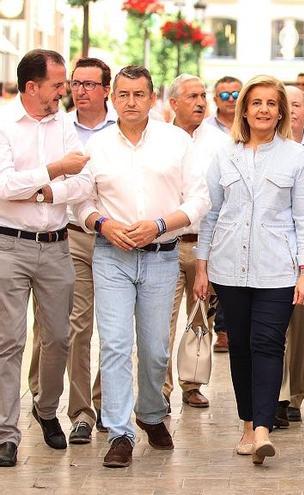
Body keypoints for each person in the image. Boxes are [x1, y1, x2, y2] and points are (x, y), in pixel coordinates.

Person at [74, 65, 210, 468]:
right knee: (115, 344)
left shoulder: (176, 142)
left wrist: (159, 225)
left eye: (139, 94)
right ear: (112, 99)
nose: (130, 102)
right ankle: (120, 433)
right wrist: (103, 223)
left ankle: (151, 413)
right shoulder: (96, 146)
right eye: (123, 94)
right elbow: (80, 201)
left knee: (153, 351)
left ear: (153, 99)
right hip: (110, 254)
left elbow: (199, 199)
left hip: (161, 257)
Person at [193, 75, 304, 465]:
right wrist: (202, 267)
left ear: (281, 111)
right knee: (241, 349)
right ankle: (248, 423)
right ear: (244, 110)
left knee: (268, 344)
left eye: (271, 103)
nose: (263, 109)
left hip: (277, 270)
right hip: (229, 269)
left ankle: (263, 427)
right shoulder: (224, 155)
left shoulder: (297, 157)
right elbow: (211, 214)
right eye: (256, 103)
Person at [0, 49, 92, 468]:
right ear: (32, 86)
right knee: (9, 342)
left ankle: (46, 407)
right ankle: (6, 432)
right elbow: (2, 186)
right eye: (58, 85)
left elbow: (85, 181)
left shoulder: (66, 126)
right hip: (9, 246)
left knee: (58, 337)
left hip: (57, 245)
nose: (65, 92)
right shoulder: (3, 123)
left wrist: (44, 190)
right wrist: (54, 170)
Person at [25, 56, 116, 445]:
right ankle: (79, 411)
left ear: (106, 90)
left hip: (117, 237)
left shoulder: (121, 127)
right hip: (73, 234)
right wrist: (53, 188)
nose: (78, 91)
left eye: (88, 84)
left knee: (113, 331)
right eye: (74, 83)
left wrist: (53, 189)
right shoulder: (57, 125)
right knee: (74, 326)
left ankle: (103, 402)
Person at [164, 74, 231, 410]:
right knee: (162, 320)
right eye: (192, 96)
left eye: (203, 95)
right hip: (166, 244)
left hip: (205, 244)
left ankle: (192, 384)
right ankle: (160, 389)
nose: (201, 102)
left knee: (200, 318)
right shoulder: (159, 139)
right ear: (173, 102)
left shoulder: (221, 142)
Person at [274, 84, 304, 427]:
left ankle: (296, 394)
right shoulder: (265, 146)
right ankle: (275, 394)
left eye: (296, 105)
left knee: (303, 331)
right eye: (284, 104)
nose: (290, 111)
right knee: (273, 327)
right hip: (274, 252)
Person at [204, 75, 241, 354]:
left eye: (235, 94)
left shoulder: (252, 127)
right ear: (215, 99)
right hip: (214, 213)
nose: (230, 100)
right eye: (224, 95)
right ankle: (220, 329)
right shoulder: (206, 132)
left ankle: (227, 328)